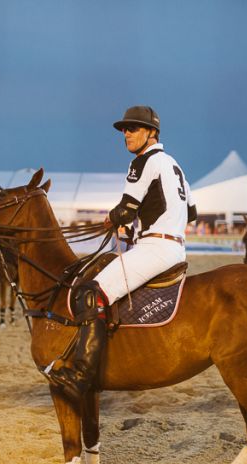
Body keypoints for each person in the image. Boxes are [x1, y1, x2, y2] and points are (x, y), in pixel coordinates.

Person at [46, 105, 197, 401]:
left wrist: (113, 220)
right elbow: (191, 213)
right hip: (175, 248)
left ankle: (81, 372)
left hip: (155, 249)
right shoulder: (175, 166)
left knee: (92, 293)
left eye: (133, 128)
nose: (126, 134)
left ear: (151, 133)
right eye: (124, 129)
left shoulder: (142, 162)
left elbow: (126, 209)